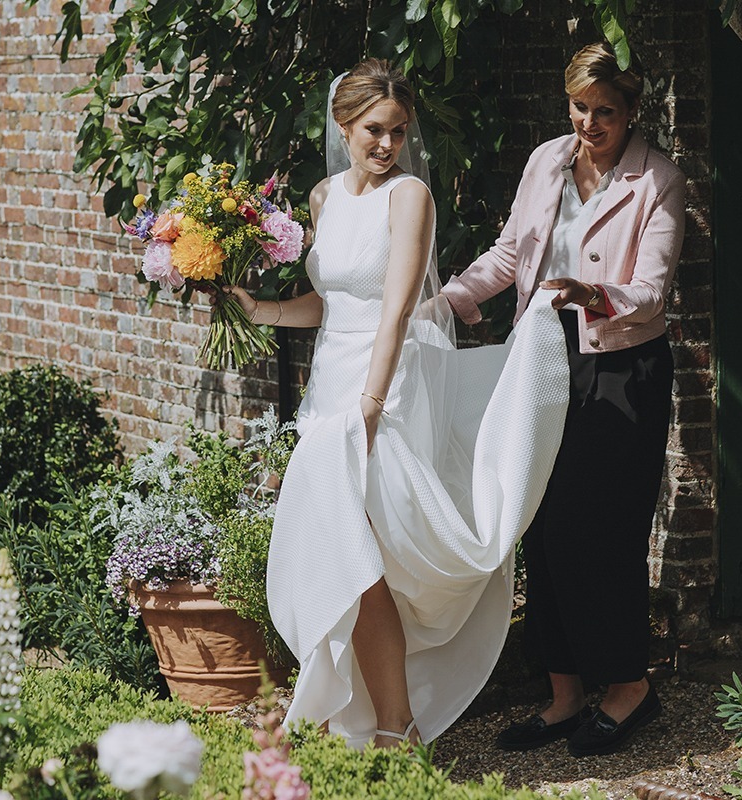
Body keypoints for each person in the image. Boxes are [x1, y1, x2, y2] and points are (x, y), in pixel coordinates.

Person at [226, 58, 571, 748]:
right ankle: (379, 721)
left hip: (385, 386)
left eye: (398, 132)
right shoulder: (324, 197)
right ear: (344, 125)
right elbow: (331, 303)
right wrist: (256, 307)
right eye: (374, 131)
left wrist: (373, 405)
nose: (387, 145)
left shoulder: (409, 196)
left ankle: (386, 722)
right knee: (347, 554)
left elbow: (393, 310)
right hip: (331, 387)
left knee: (363, 551)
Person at [442, 41, 686, 757]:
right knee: (541, 522)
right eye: (579, 107)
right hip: (540, 361)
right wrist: (447, 300)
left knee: (600, 529)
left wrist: (592, 294)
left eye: (604, 111)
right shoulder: (548, 159)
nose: (589, 124)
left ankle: (628, 689)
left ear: (632, 111)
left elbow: (652, 290)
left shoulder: (658, 180)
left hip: (621, 371)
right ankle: (563, 695)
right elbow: (513, 254)